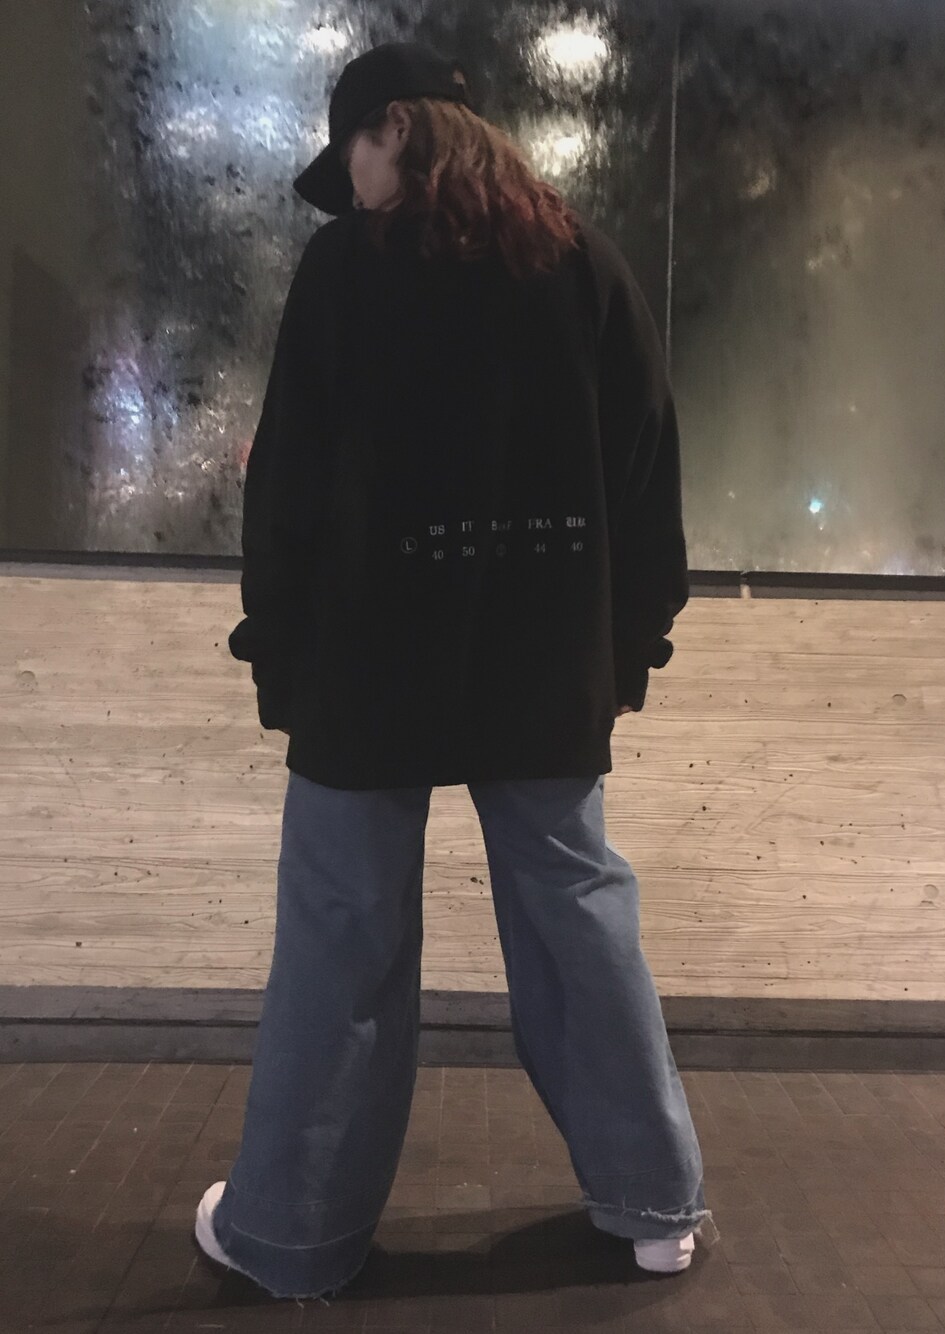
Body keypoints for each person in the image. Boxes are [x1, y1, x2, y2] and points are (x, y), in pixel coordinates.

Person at [195, 40, 716, 1300]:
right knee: (575, 914)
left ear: (394, 128)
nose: (350, 185)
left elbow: (290, 479)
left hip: (367, 662)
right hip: (541, 661)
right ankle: (654, 1203)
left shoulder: (346, 271)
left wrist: (278, 650)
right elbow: (648, 466)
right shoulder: (581, 263)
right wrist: (626, 644)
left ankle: (293, 1233)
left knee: (343, 934)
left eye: (353, 155)